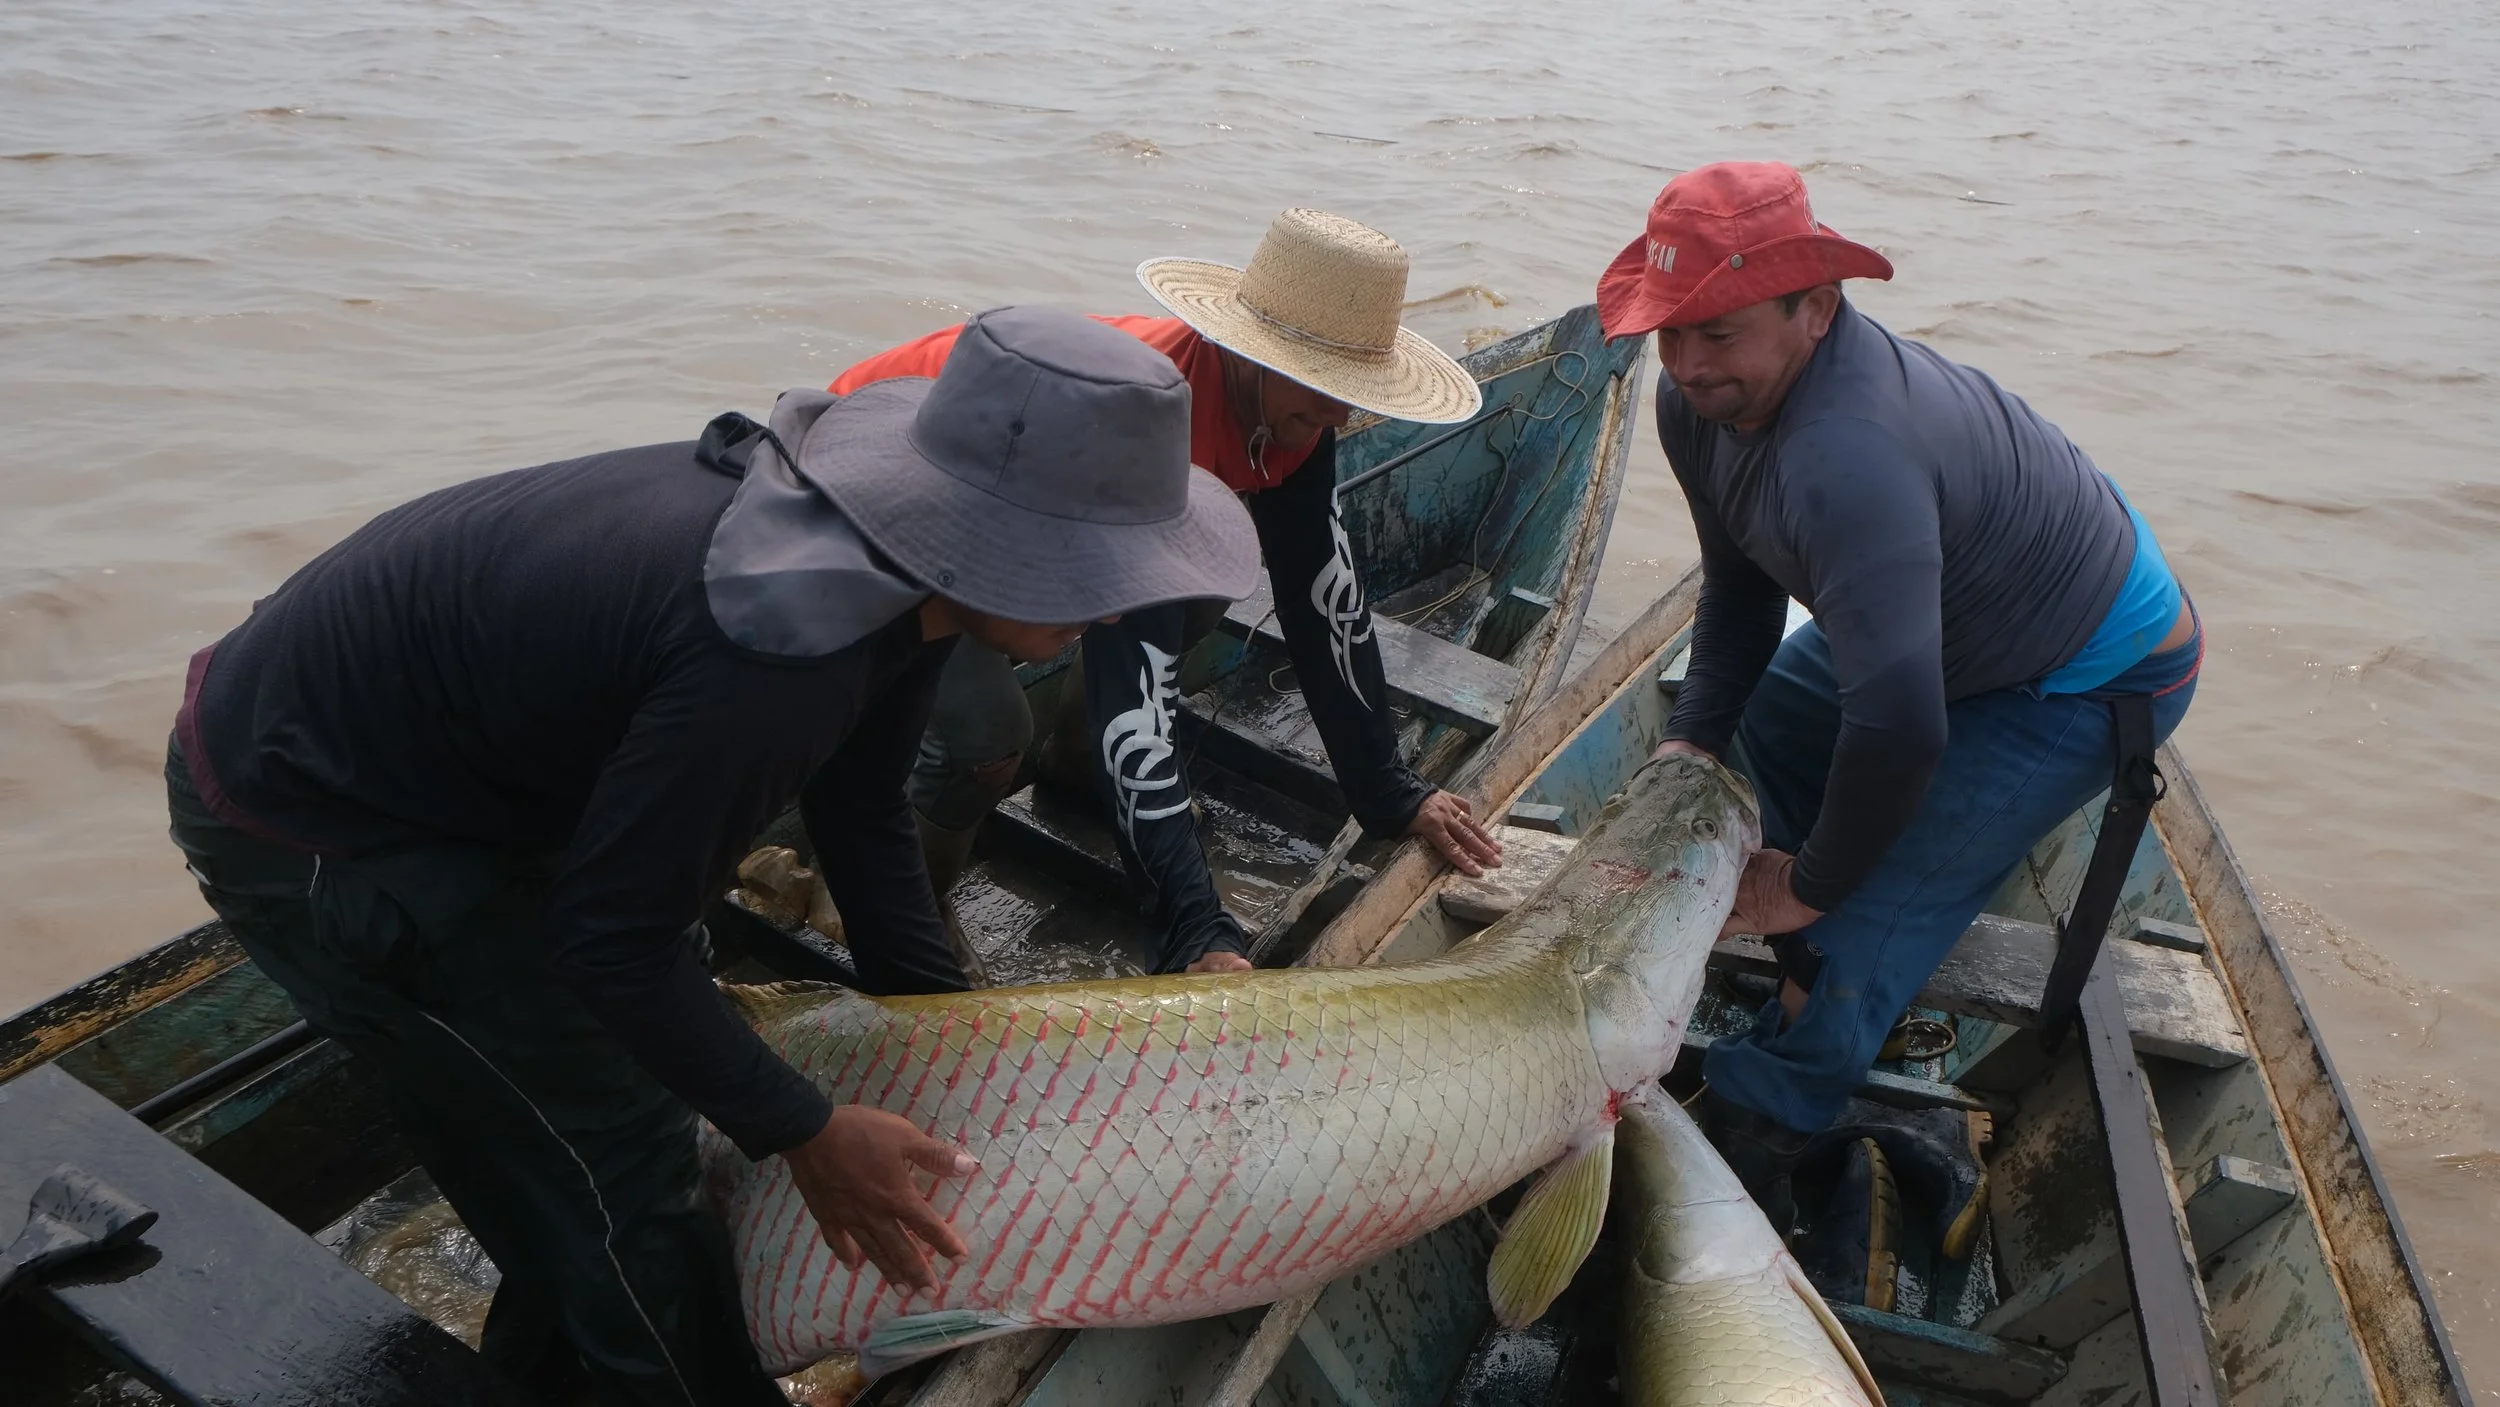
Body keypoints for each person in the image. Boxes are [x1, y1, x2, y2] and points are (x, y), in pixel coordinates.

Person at [163, 308, 1258, 1404]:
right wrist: (808, 1133)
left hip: (469, 762)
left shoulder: (902, 577)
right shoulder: (779, 653)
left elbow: (865, 802)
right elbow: (610, 945)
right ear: (990, 537)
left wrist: (941, 1030)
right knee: (622, 1148)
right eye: (1088, 565)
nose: (1114, 600)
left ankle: (554, 1362)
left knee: (608, 1102)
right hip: (314, 812)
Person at [1594, 163, 2202, 1229]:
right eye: (1669, 333)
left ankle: (1768, 1120)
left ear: (1815, 310)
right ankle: (1804, 943)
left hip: (2084, 674)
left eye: (1720, 334)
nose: (1688, 366)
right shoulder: (1698, 404)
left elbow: (1902, 724)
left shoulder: (1849, 459)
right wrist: (1690, 741)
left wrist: (1812, 888)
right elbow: (1738, 587)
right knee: (1768, 731)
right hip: (1939, 625)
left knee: (1852, 932)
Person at [832, 209, 1505, 976]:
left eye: (1352, 392)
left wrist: (1390, 793)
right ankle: (911, 918)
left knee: (1200, 582)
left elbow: (1323, 603)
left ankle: (1077, 763)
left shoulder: (1294, 421)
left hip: (1018, 510)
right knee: (985, 738)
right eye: (1320, 387)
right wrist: (1196, 926)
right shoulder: (1155, 432)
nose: (1336, 414)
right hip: (892, 479)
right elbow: (1134, 686)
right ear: (1248, 354)